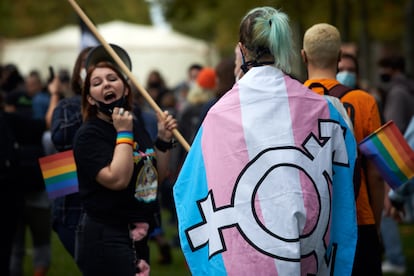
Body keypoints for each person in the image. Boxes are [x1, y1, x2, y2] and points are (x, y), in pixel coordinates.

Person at [173, 7, 358, 275]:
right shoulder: (322, 109)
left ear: (241, 49)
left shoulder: (219, 114)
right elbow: (345, 177)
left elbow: (191, 186)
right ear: (284, 46)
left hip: (243, 261)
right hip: (310, 251)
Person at [73, 44, 177, 276]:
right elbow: (117, 180)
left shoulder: (134, 125)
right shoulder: (89, 135)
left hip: (138, 231)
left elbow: (153, 179)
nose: (107, 84)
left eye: (112, 78)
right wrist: (123, 134)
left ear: (126, 89)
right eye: (97, 83)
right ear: (90, 99)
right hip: (106, 235)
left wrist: (162, 140)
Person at [302, 23, 384, 276]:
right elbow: (377, 173)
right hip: (358, 219)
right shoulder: (364, 102)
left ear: (303, 56)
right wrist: (376, 224)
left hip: (310, 222)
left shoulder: (292, 102)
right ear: (339, 58)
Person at [45, 46, 93, 260]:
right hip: (70, 207)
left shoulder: (125, 111)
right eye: (87, 63)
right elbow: (59, 139)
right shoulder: (67, 106)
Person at [6, 69, 52, 276]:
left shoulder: (5, 133)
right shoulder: (44, 135)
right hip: (40, 199)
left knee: (16, 249)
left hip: (13, 197)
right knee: (42, 245)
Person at [378, 55, 414, 275]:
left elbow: (393, 130)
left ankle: (395, 258)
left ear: (392, 68)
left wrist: (395, 194)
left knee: (386, 213)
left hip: (397, 157)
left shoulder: (397, 92)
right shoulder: (409, 89)